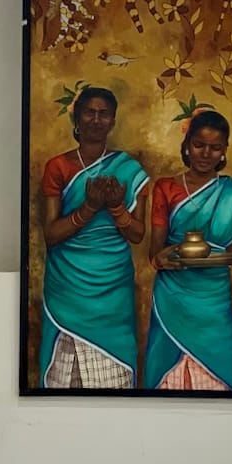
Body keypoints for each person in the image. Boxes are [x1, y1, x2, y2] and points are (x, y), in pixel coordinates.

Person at [39, 87, 148, 388]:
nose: (96, 120)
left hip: (112, 293)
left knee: (113, 382)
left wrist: (115, 206)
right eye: (90, 112)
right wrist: (88, 207)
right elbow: (51, 234)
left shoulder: (128, 169)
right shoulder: (58, 167)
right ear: (77, 116)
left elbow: (138, 234)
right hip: (67, 288)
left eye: (104, 114)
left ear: (113, 121)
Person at [145, 110, 232, 390]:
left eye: (215, 148)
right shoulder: (166, 188)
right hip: (172, 299)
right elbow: (155, 253)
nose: (206, 153)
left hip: (215, 304)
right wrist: (164, 257)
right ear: (187, 145)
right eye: (199, 145)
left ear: (224, 151)